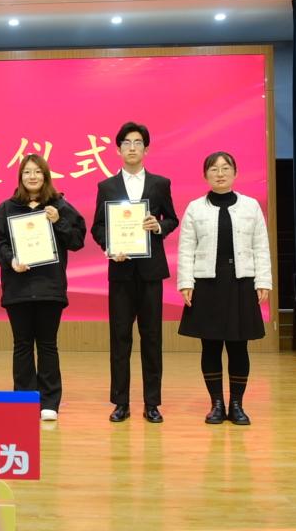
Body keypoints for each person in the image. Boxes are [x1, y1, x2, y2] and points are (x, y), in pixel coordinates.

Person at [90, 121, 179, 423]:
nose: (132, 147)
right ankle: (121, 402)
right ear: (118, 149)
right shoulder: (106, 186)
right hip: (121, 272)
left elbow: (172, 219)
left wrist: (159, 226)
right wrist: (110, 246)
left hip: (151, 273)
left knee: (152, 338)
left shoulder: (160, 184)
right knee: (120, 338)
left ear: (146, 149)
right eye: (126, 143)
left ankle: (152, 403)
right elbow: (98, 226)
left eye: (138, 142)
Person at [0, 154, 86, 421]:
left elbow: (77, 240)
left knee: (47, 345)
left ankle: (49, 402)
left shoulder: (59, 206)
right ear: (20, 177)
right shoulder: (6, 208)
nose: (32, 177)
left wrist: (58, 221)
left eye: (37, 172)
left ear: (46, 176)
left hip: (49, 288)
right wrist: (12, 260)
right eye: (27, 172)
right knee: (21, 345)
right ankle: (24, 400)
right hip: (17, 289)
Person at [177, 151, 272, 425]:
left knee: (238, 346)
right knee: (210, 346)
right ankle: (216, 404)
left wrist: (263, 281)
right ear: (205, 175)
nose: (220, 173)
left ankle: (237, 405)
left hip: (241, 282)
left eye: (225, 168)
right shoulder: (195, 208)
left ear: (235, 173)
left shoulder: (250, 206)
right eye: (214, 169)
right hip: (207, 282)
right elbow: (186, 249)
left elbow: (260, 246)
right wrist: (186, 282)